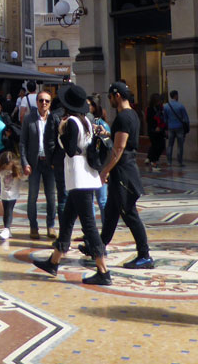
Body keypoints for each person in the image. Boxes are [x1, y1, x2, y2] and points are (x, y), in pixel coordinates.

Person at [32, 84, 111, 286]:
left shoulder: (72, 123)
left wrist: (61, 133)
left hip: (79, 177)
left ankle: (103, 271)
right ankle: (54, 261)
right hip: (85, 175)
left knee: (89, 225)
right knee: (67, 220)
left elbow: (70, 149)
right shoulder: (85, 120)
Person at [90, 80, 154, 268]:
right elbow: (122, 140)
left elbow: (119, 149)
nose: (109, 100)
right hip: (126, 167)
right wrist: (108, 134)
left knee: (129, 214)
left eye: (110, 96)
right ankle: (98, 247)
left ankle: (145, 255)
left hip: (124, 172)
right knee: (111, 211)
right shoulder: (132, 114)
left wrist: (105, 171)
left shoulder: (123, 117)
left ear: (117, 96)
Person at [22, 89, 59, 240]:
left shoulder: (55, 119)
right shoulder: (29, 118)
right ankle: (33, 226)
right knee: (32, 196)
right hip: (34, 163)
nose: (44, 103)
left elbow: (58, 142)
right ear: (36, 102)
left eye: (47, 101)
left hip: (50, 164)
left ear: (50, 103)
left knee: (51, 197)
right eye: (41, 100)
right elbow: (23, 142)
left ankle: (51, 225)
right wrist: (24, 162)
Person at [0, 150, 25, 240]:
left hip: (13, 195)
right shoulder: (1, 170)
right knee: (6, 210)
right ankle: (7, 229)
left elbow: (24, 177)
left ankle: (6, 228)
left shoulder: (16, 170)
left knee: (8, 210)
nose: (8, 168)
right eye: (6, 166)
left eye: (9, 166)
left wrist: (26, 173)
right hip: (4, 194)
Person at [163, 89, 189, 166]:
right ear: (176, 96)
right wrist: (187, 128)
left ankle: (169, 161)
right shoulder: (180, 106)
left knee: (170, 145)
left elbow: (165, 119)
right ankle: (179, 161)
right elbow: (186, 118)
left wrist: (166, 128)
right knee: (180, 145)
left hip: (170, 127)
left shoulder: (166, 106)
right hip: (179, 127)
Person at [145, 93, 166, 172]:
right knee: (156, 146)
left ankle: (151, 159)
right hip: (153, 130)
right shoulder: (150, 109)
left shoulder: (160, 108)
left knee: (161, 145)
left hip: (160, 129)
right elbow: (149, 120)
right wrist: (154, 127)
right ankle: (154, 162)